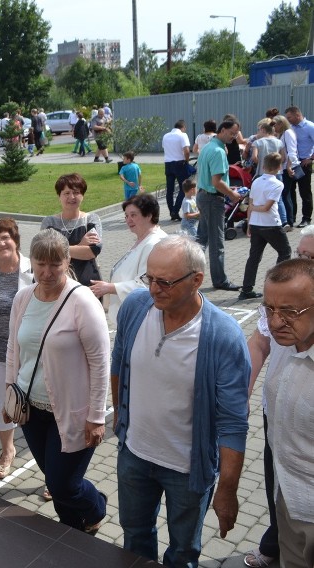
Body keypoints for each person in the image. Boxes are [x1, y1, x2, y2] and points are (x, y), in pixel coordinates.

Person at [112, 235, 250, 567]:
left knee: (184, 552)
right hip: (134, 457)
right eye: (150, 278)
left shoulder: (224, 335)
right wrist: (120, 419)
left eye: (165, 281)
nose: (154, 288)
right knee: (134, 538)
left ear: (196, 280)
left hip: (187, 471)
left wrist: (227, 489)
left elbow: (233, 422)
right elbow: (119, 365)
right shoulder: (135, 308)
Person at [5, 229, 109, 534]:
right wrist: (8, 394)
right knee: (54, 478)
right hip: (30, 410)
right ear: (31, 263)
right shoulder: (23, 297)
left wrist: (97, 417)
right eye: (40, 264)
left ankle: (96, 506)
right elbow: (14, 349)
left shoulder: (82, 302)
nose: (47, 272)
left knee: (63, 484)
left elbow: (101, 362)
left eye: (55, 265)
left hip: (72, 413)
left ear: (67, 262)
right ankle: (74, 531)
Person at [255, 259, 314, 568]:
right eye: (269, 309)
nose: (275, 322)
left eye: (290, 312)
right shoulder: (288, 348)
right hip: (286, 504)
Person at [0, 218, 33, 480]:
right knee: (2, 404)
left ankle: (48, 466)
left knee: (41, 406)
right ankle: (7, 450)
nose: (1, 243)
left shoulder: (34, 270)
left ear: (15, 239)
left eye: (5, 237)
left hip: (31, 355)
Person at [89, 194, 167, 325]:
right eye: (126, 216)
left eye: (133, 215)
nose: (128, 220)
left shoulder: (154, 243)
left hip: (143, 318)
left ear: (149, 215)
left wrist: (109, 288)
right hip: (130, 315)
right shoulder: (143, 240)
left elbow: (148, 284)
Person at [196, 117, 244, 291]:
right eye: (231, 133)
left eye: (235, 134)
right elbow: (217, 182)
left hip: (203, 195)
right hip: (211, 199)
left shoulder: (208, 146)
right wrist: (232, 194)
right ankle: (220, 281)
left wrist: (228, 189)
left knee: (201, 240)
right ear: (222, 130)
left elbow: (212, 178)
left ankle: (187, 272)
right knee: (217, 243)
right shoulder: (218, 151)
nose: (233, 137)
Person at [240, 153, 293, 301]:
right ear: (279, 168)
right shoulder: (278, 184)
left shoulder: (256, 181)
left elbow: (251, 205)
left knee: (254, 257)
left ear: (263, 166)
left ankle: (246, 289)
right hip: (271, 224)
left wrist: (249, 223)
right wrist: (256, 208)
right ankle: (277, 287)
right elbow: (267, 207)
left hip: (256, 224)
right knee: (285, 252)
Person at [41, 173, 103, 287]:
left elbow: (93, 251)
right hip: (56, 286)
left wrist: (58, 250)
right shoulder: (49, 222)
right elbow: (45, 253)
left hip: (89, 286)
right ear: (59, 196)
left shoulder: (91, 219)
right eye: (66, 193)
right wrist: (80, 245)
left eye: (76, 192)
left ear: (82, 195)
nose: (72, 197)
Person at [285, 106, 314, 227]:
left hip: (304, 163)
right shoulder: (290, 128)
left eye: (289, 117)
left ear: (297, 115)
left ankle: (306, 218)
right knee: (291, 191)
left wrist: (311, 158)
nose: (288, 120)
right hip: (292, 163)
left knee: (305, 192)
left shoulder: (310, 126)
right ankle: (291, 217)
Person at [163, 120, 192, 221]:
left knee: (170, 190)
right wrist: (186, 161)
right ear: (183, 127)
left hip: (168, 164)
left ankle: (172, 211)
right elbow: (187, 151)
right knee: (184, 188)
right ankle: (175, 210)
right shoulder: (183, 135)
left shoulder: (165, 136)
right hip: (180, 163)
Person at [274, 115, 298, 231]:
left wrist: (288, 166)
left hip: (287, 168)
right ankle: (289, 218)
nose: (274, 127)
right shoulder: (281, 134)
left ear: (281, 124)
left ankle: (289, 220)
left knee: (285, 194)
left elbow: (292, 151)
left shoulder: (288, 133)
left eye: (275, 124)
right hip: (283, 168)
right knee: (287, 194)